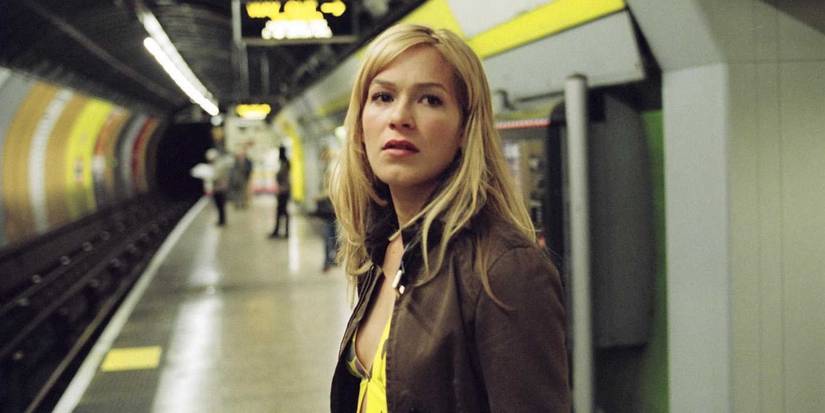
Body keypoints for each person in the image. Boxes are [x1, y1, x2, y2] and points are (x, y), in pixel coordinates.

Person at [328, 24, 570, 412]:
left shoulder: (504, 271)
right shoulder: (381, 251)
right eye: (383, 96)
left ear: (464, 130)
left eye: (430, 100)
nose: (400, 117)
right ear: (359, 125)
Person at [205, 148, 232, 226]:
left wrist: (208, 176)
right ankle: (221, 220)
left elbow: (216, 176)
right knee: (219, 206)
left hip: (220, 188)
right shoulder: (216, 164)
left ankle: (222, 221)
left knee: (220, 205)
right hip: (218, 188)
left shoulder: (219, 165)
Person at [269, 145, 291, 238]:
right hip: (285, 189)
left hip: (283, 190)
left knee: (282, 211)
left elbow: (281, 176)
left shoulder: (284, 163)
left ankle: (280, 231)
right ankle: (282, 231)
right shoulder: (286, 163)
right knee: (282, 211)